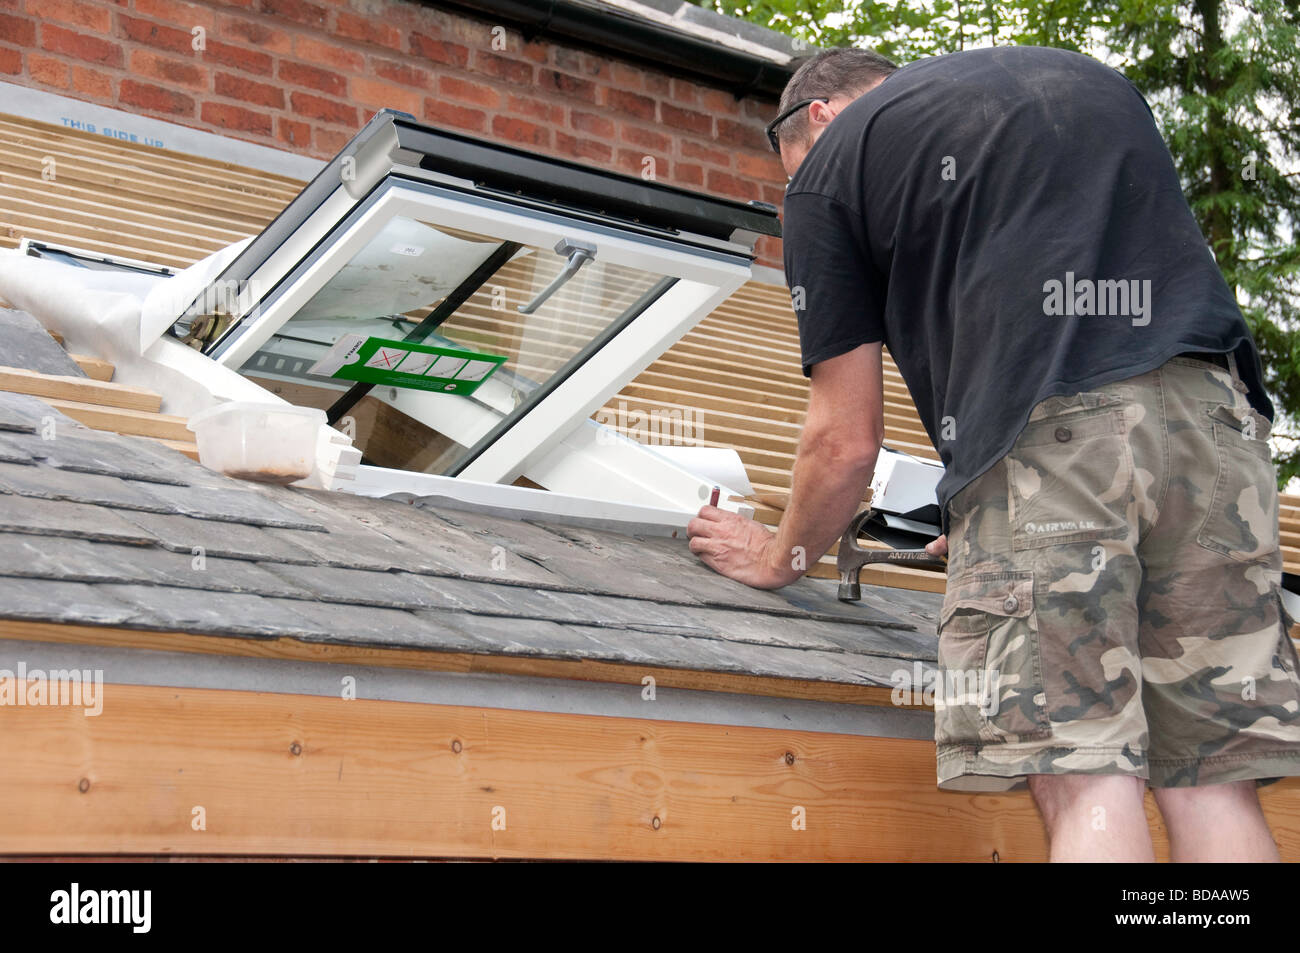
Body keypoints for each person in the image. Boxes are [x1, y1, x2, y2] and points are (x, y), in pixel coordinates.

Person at [686, 45, 1300, 861]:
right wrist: (985, 508)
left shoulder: (830, 167)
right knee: (1211, 782)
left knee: (1082, 770)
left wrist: (778, 556)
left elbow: (844, 439)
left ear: (819, 117)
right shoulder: (1074, 80)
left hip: (1053, 436)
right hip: (1220, 426)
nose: (796, 186)